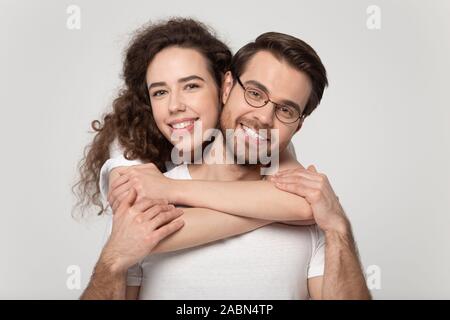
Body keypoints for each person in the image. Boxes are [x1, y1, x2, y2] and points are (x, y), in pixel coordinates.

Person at [77, 18, 318, 300]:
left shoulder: (264, 139)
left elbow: (302, 204)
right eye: (160, 92)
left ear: (224, 87)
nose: (175, 105)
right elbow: (141, 230)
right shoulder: (130, 152)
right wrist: (274, 213)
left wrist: (171, 190)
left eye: (191, 86)